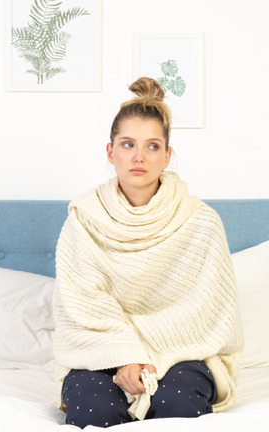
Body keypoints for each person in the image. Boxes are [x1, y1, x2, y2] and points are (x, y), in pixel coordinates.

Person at [53, 77, 244, 429]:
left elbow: (209, 312)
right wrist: (125, 356)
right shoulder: (83, 219)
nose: (139, 156)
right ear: (110, 152)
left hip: (180, 352)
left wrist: (149, 358)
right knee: (95, 411)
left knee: (178, 404)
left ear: (167, 155)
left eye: (153, 146)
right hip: (100, 350)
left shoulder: (200, 221)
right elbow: (81, 305)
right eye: (128, 144)